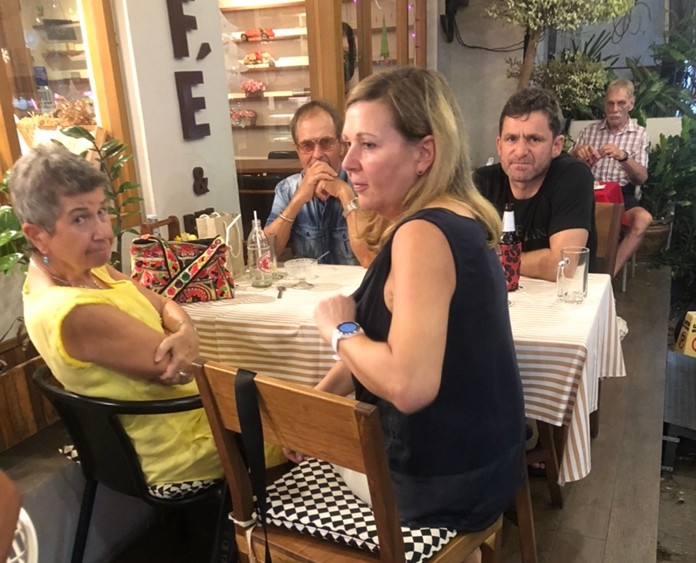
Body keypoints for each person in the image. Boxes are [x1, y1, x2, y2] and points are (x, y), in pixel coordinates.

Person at [298, 67, 526, 553]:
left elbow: (408, 385)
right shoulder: (458, 216)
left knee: (286, 461)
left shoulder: (420, 234)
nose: (347, 164)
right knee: (312, 432)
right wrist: (312, 410)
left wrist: (338, 329)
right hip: (488, 468)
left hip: (440, 485)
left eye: (368, 145)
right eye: (348, 144)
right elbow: (381, 348)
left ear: (425, 153)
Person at [9, 143, 223, 490]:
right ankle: (258, 519)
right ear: (37, 234)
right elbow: (182, 369)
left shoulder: (87, 269)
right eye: (80, 218)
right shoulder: (72, 310)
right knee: (299, 426)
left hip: (190, 417)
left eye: (101, 211)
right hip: (182, 443)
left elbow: (162, 303)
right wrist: (188, 337)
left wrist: (186, 330)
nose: (103, 232)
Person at [473, 88, 597, 282]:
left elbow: (563, 265)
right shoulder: (483, 182)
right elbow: (459, 253)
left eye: (534, 139)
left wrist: (491, 258)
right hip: (499, 295)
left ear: (556, 146)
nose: (520, 151)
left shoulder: (572, 175)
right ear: (499, 145)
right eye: (511, 139)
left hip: (564, 299)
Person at [264, 100, 374, 267]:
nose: (317, 154)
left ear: (341, 145)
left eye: (326, 143)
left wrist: (344, 193)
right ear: (298, 150)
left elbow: (372, 259)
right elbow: (264, 256)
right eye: (307, 146)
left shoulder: (364, 185)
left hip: (357, 283)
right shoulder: (287, 189)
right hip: (308, 282)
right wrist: (298, 199)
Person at [570, 79, 652, 276]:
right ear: (604, 104)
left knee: (643, 219)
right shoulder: (589, 131)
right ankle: (571, 269)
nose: (615, 109)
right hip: (588, 193)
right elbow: (567, 168)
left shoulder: (639, 134)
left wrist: (623, 157)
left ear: (631, 104)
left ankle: (606, 276)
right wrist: (577, 155)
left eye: (621, 103)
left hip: (622, 197)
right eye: (610, 103)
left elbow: (641, 178)